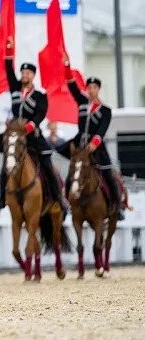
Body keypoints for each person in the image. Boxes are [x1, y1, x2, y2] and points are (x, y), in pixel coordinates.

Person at [0, 41, 67, 212]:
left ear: (33, 75)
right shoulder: (15, 88)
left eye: (28, 73)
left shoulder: (40, 95)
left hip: (32, 134)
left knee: (47, 163)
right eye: (23, 72)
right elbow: (8, 69)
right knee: (5, 167)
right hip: (16, 135)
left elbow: (40, 114)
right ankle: (2, 200)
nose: (24, 75)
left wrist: (31, 126)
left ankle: (59, 198)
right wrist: (8, 49)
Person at [61, 58, 123, 220]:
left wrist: (94, 144)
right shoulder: (82, 102)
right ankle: (65, 203)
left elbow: (102, 130)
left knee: (108, 174)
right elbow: (71, 85)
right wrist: (67, 66)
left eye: (94, 87)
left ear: (99, 89)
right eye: (89, 87)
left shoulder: (105, 111)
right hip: (80, 144)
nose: (91, 90)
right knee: (72, 173)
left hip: (96, 147)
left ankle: (117, 206)